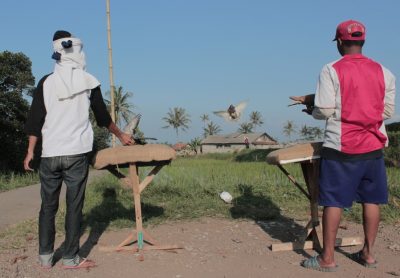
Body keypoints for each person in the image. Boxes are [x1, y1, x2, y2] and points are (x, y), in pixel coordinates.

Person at [23, 30, 134, 269]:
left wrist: (31, 150)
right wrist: (122, 135)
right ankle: (72, 258)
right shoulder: (89, 81)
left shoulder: (45, 82)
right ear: (77, 52)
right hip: (76, 154)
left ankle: (45, 258)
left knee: (48, 206)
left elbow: (35, 120)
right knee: (74, 206)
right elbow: (103, 118)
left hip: (49, 154)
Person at [291, 20, 395, 272]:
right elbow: (387, 111)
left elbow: (325, 110)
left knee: (334, 202)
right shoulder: (385, 71)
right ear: (363, 41)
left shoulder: (331, 69)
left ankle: (327, 259)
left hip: (342, 147)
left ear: (339, 42)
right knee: (372, 200)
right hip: (373, 146)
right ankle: (368, 255)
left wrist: (312, 107)